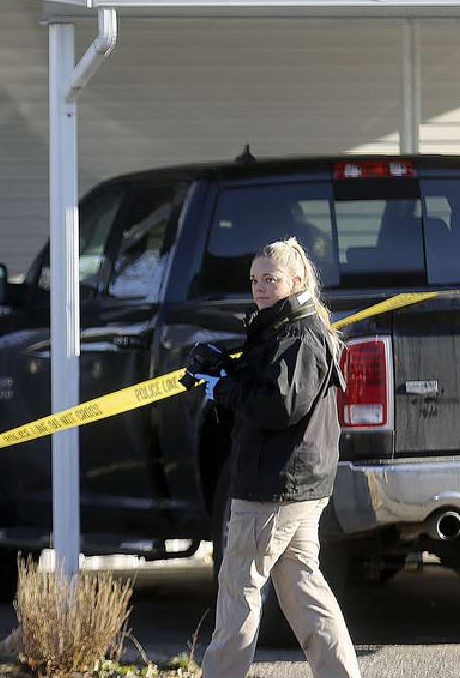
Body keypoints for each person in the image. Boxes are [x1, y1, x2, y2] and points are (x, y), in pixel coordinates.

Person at [192, 237, 361, 678]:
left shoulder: (297, 335)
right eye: (254, 280)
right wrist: (226, 368)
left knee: (238, 593)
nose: (260, 288)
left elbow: (279, 406)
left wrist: (223, 388)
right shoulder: (285, 330)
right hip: (295, 487)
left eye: (270, 279)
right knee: (305, 593)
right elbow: (272, 386)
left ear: (297, 280)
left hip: (272, 489)